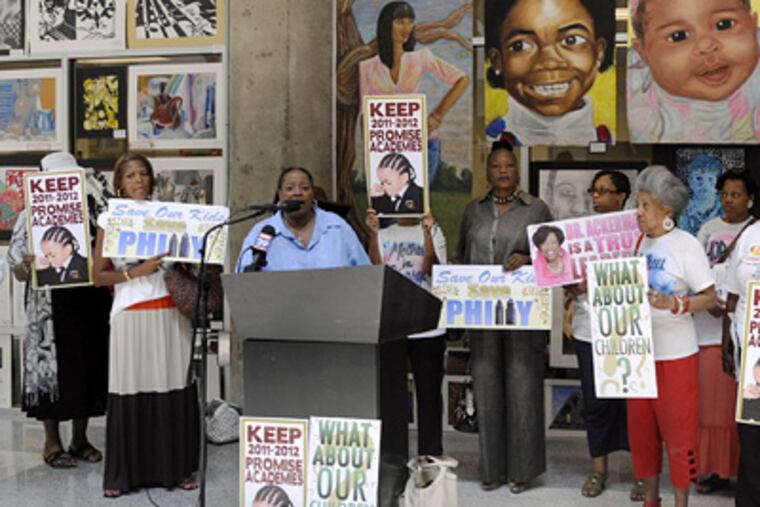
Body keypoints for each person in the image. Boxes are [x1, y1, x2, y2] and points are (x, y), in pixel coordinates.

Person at [92, 152, 199, 497]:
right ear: (119, 183)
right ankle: (123, 475)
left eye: (143, 174)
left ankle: (178, 469)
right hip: (130, 310)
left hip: (169, 307)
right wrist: (133, 272)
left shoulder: (168, 215)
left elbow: (188, 259)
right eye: (131, 175)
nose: (138, 180)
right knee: (130, 388)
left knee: (171, 385)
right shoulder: (110, 218)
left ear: (151, 179)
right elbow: (96, 275)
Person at [454, 140, 552, 493]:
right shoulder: (473, 210)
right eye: (496, 166)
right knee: (487, 388)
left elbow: (555, 258)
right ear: (488, 171)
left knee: (523, 387)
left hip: (522, 318)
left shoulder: (536, 209)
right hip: (482, 317)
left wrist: (527, 260)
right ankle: (491, 470)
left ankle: (522, 473)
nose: (503, 171)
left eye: (509, 165)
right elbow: (460, 257)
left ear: (517, 169)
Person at [6, 151, 111, 469]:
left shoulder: (93, 209)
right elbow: (16, 265)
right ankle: (51, 441)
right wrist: (26, 263)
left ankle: (80, 438)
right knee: (48, 368)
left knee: (85, 363)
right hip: (48, 305)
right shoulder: (29, 215)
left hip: (87, 300)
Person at [629, 165, 717, 507]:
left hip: (676, 356)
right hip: (637, 355)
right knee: (642, 434)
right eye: (638, 205)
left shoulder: (686, 245)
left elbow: (710, 297)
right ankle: (651, 500)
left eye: (645, 205)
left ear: (666, 208)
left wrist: (675, 303)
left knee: (679, 436)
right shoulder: (637, 242)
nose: (638, 213)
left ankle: (681, 501)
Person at [565, 170, 643, 499]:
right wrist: (574, 284)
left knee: (634, 405)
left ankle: (643, 472)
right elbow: (565, 280)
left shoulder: (640, 232)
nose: (596, 197)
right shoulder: (578, 234)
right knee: (596, 404)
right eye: (593, 191)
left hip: (627, 329)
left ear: (622, 196)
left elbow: (644, 275)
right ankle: (599, 471)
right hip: (587, 329)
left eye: (604, 191)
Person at [359, 1, 469, 183]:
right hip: (386, 149)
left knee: (417, 203)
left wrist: (437, 115)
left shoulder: (420, 58)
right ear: (387, 23)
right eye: (400, 21)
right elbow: (365, 115)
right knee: (389, 205)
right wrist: (372, 156)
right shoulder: (368, 67)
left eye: (410, 21)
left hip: (423, 143)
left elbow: (462, 79)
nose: (406, 27)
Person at [366, 208, 447, 456]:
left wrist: (427, 232)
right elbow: (375, 271)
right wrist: (372, 233)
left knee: (430, 395)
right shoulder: (383, 233)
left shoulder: (434, 231)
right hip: (392, 325)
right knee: (393, 399)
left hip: (429, 326)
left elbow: (430, 268)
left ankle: (430, 457)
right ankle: (394, 461)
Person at [693, 170, 754, 494]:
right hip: (708, 332)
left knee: (740, 412)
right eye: (725, 194)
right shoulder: (707, 230)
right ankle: (713, 470)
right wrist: (708, 302)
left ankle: (741, 471)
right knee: (711, 408)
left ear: (751, 199)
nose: (729, 200)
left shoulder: (753, 233)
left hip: (746, 334)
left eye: (736, 194)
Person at [484, 0, 616, 145]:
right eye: (519, 45)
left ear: (599, 52)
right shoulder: (488, 141)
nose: (549, 62)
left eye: (571, 40)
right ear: (497, 61)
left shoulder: (613, 140)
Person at [628, 0, 760, 142]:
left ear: (753, 24)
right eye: (678, 36)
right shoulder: (640, 111)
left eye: (724, 24)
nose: (707, 45)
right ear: (643, 52)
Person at [236, 166, 370, 272]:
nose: (297, 193)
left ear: (312, 194)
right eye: (289, 188)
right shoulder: (262, 233)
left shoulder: (337, 227)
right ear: (280, 195)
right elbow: (244, 283)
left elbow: (365, 274)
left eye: (304, 188)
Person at [722, 217, 760, 506]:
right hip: (753, 356)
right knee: (752, 436)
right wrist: (727, 336)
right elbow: (733, 293)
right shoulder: (751, 234)